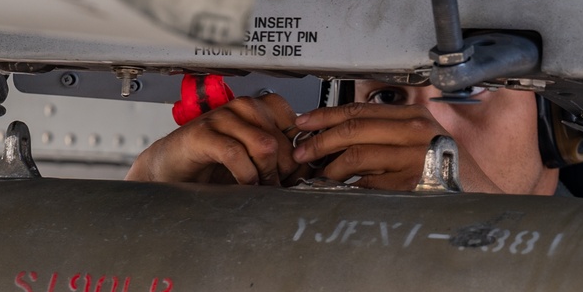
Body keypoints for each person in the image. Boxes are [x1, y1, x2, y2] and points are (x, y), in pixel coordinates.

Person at [126, 79, 560, 196]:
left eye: (471, 88)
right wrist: (154, 208)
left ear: (556, 123)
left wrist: (474, 221)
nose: (422, 124)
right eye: (387, 95)